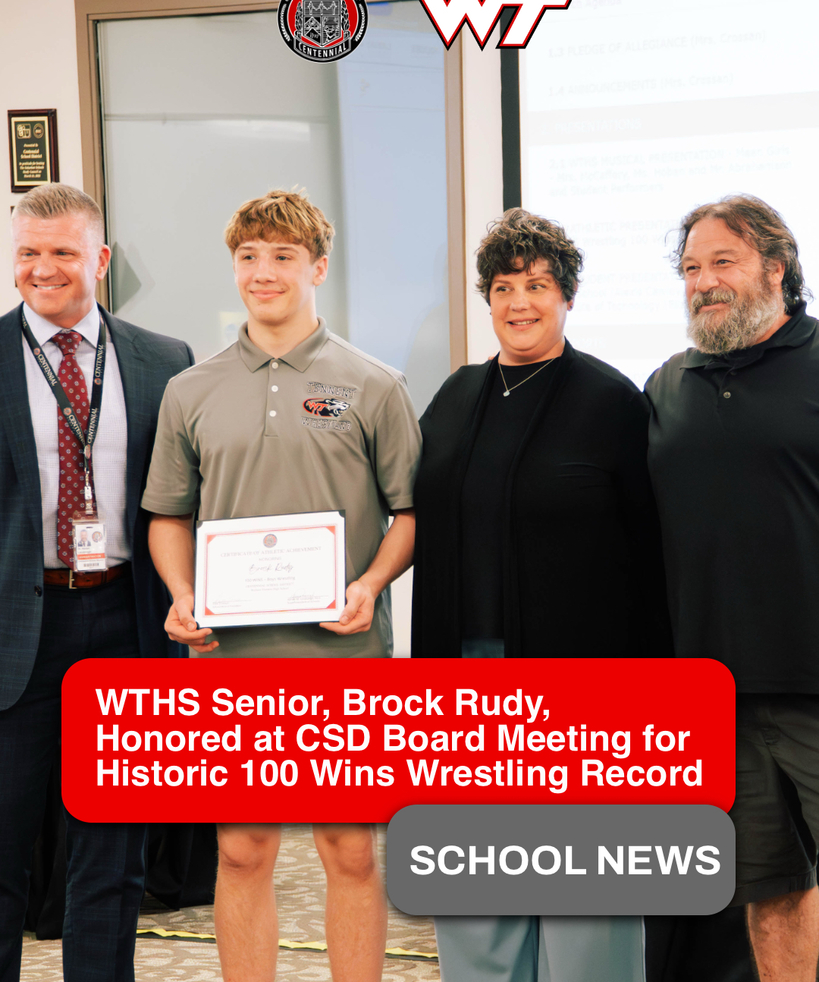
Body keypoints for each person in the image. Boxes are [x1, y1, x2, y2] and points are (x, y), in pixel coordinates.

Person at [141, 188, 421, 982]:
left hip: (344, 653)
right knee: (240, 849)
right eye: (249, 257)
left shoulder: (374, 384)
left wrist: (368, 583)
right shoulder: (189, 390)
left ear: (317, 268)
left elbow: (408, 513)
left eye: (282, 257)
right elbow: (168, 515)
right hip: (230, 657)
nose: (263, 273)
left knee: (349, 852)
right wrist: (182, 594)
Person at [412, 208, 669, 982]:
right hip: (463, 677)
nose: (518, 302)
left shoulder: (611, 401)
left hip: (583, 686)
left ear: (568, 296)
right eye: (502, 286)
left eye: (536, 285)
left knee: (582, 896)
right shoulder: (454, 397)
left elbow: (651, 553)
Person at [0, 183, 193, 982]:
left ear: (101, 260)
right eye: (28, 254)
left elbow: (185, 500)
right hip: (16, 632)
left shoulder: (165, 361)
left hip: (126, 622)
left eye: (63, 252)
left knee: (111, 858)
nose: (44, 270)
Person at [645, 194, 819, 982]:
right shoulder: (667, 384)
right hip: (717, 695)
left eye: (723, 262)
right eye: (690, 268)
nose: (703, 282)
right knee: (769, 888)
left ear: (775, 269)